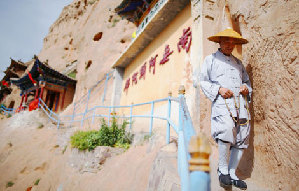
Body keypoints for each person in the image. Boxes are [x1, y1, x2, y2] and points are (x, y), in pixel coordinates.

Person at [200, 28, 252, 190]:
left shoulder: (238, 63)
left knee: (242, 137)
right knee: (226, 131)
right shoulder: (211, 60)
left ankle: (232, 173)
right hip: (223, 104)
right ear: (219, 42)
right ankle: (222, 171)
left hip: (241, 105)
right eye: (226, 42)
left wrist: (245, 87)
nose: (230, 45)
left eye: (232, 42)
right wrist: (219, 89)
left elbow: (247, 81)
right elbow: (203, 81)